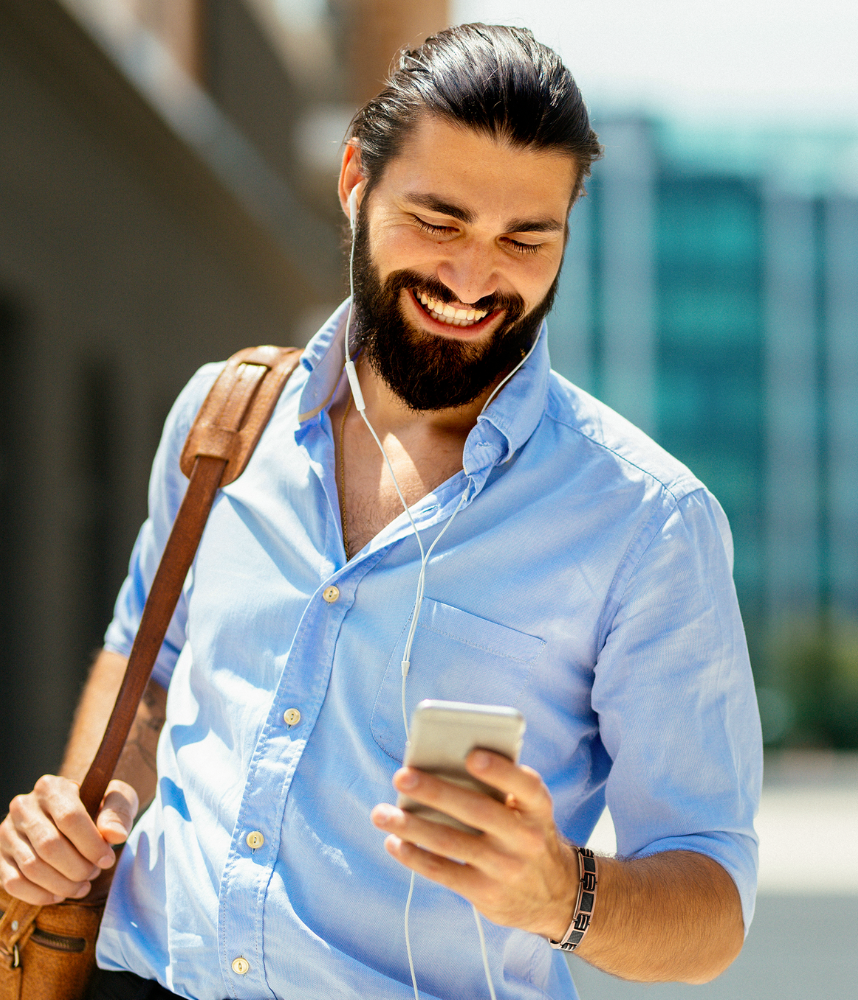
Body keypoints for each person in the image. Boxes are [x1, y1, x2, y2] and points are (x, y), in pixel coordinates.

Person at [0, 23, 761, 1000]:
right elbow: (150, 666)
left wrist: (559, 892)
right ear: (356, 179)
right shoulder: (221, 420)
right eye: (438, 221)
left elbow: (712, 907)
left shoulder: (647, 524)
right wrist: (85, 808)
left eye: (525, 238)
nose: (473, 278)